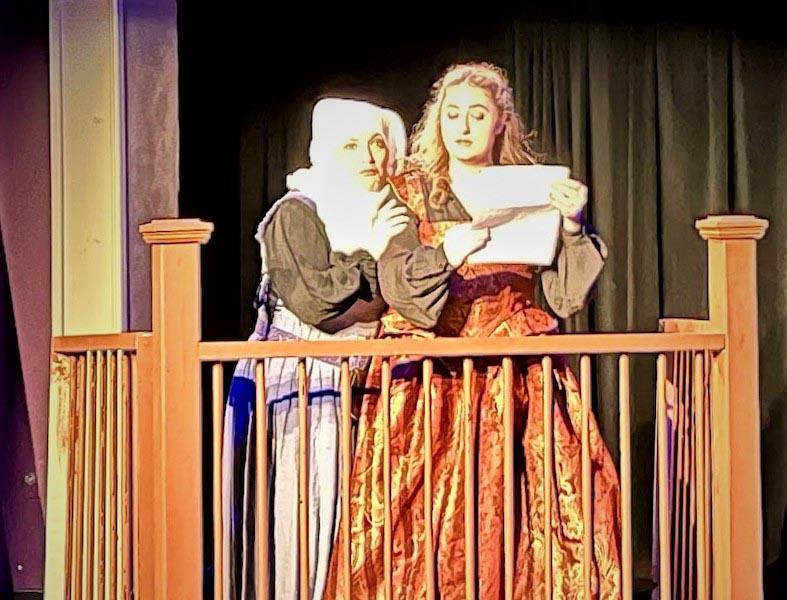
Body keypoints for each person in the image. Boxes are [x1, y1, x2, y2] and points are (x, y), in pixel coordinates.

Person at [324, 62, 621, 599]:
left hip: (514, 376)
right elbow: (399, 283)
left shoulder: (533, 188)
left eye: (477, 115)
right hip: (429, 378)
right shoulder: (410, 190)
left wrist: (574, 226)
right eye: (452, 114)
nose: (462, 126)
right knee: (413, 528)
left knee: (526, 513)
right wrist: (445, 253)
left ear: (500, 122)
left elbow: (563, 297)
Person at [221, 97, 409, 600]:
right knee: (301, 520)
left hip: (351, 386)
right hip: (297, 387)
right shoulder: (298, 211)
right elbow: (319, 304)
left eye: (376, 142)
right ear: (324, 151)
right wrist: (372, 256)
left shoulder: (386, 214)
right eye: (350, 145)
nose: (368, 156)